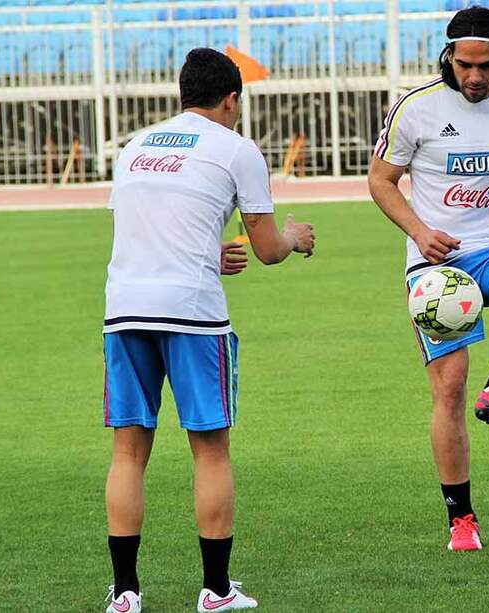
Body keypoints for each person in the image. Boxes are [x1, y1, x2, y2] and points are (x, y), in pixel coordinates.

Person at [101, 48, 315, 613]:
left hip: (124, 309)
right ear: (231, 99)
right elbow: (267, 250)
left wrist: (205, 251)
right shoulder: (236, 148)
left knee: (128, 453)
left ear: (180, 96)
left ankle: (125, 594)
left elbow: (146, 228)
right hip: (192, 314)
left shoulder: (136, 146)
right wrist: (294, 236)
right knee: (210, 452)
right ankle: (216, 591)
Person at [367, 7, 489, 552]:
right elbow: (381, 181)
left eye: (485, 65)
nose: (474, 76)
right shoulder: (417, 108)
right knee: (450, 389)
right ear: (448, 58)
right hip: (436, 266)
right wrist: (419, 230)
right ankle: (462, 519)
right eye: (464, 65)